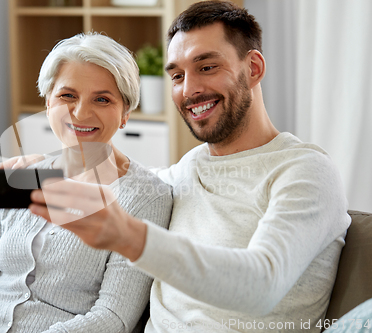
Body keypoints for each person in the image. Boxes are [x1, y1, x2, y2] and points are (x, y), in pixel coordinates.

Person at [18, 1, 351, 332]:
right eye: (177, 75)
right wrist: (35, 170)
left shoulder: (304, 170)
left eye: (206, 67)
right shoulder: (187, 170)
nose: (189, 89)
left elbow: (262, 285)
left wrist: (132, 238)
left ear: (253, 69)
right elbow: (119, 176)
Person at [0, 32, 173, 333]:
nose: (81, 112)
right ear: (48, 102)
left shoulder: (147, 197)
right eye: (67, 95)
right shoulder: (20, 176)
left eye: (102, 99)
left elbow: (114, 317)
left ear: (125, 113)